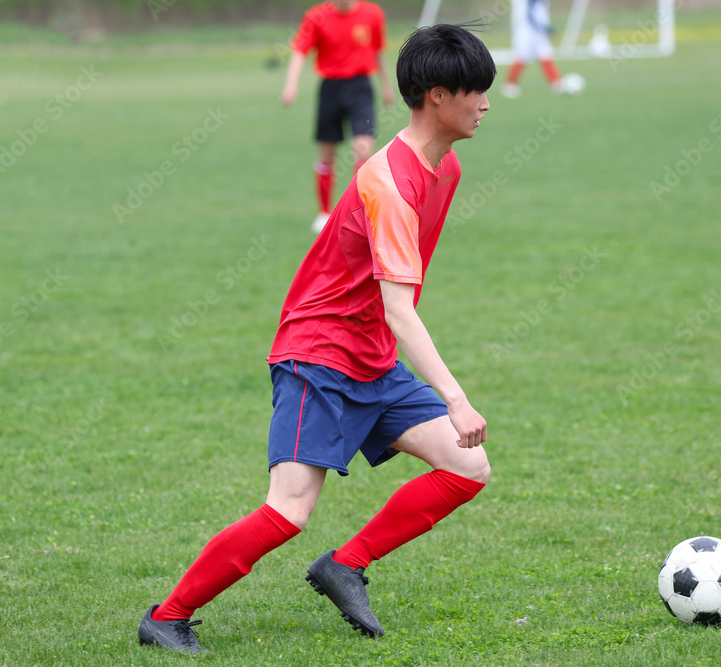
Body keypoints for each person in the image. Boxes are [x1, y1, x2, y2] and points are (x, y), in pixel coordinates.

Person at [138, 24, 496, 654]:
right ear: (437, 96)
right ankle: (167, 616)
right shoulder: (389, 181)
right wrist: (456, 397)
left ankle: (346, 565)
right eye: (475, 91)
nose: (486, 104)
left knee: (467, 467)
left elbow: (390, 306)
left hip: (372, 359)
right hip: (321, 356)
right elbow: (399, 311)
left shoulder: (449, 167)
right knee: (289, 510)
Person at [281, 0, 395, 233]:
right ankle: (324, 213)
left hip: (361, 88)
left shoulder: (372, 14)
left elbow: (379, 51)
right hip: (330, 90)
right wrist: (290, 85)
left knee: (363, 148)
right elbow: (300, 51)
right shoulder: (316, 16)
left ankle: (359, 212)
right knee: (327, 153)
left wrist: (386, 86)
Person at [502, 0, 574, 98]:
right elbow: (531, 14)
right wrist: (545, 28)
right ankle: (509, 85)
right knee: (522, 57)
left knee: (545, 55)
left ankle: (557, 84)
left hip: (538, 33)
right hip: (527, 33)